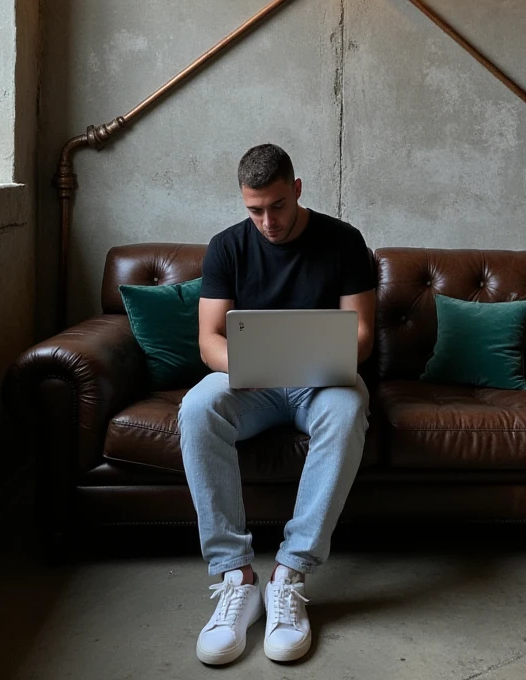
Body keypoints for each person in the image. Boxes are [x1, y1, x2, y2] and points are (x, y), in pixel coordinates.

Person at [178, 143, 375, 666]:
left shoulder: (344, 241)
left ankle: (289, 574)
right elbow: (208, 341)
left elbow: (362, 337)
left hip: (323, 383)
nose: (267, 221)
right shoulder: (226, 247)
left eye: (278, 206)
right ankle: (236, 577)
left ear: (298, 190)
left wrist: (311, 363)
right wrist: (254, 366)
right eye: (254, 209)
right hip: (252, 383)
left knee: (348, 409)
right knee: (198, 409)